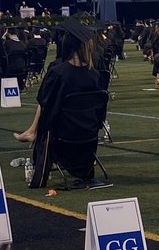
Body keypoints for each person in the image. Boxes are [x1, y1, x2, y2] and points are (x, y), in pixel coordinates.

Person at [13, 20, 106, 188]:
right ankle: (33, 131)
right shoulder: (94, 74)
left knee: (47, 114)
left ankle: (34, 136)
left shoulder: (58, 72)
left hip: (64, 134)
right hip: (88, 134)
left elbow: (46, 103)